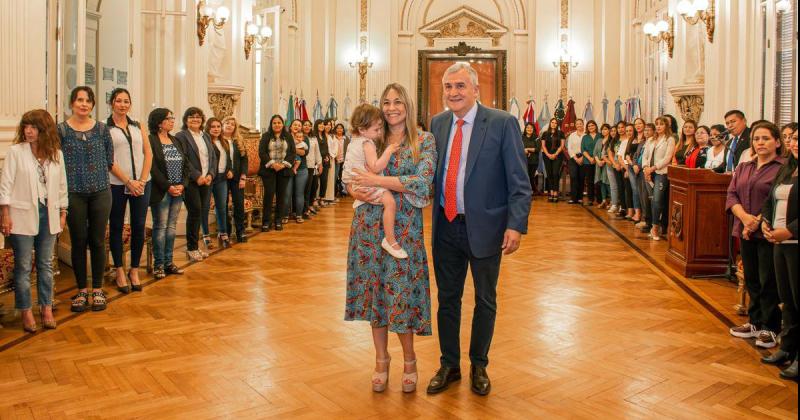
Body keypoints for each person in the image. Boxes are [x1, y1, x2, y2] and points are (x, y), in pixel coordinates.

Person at [426, 62, 531, 396]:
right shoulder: (437, 124)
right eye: (448, 86)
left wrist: (515, 225)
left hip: (486, 228)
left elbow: (519, 181)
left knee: (485, 300)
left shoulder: (502, 123)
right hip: (446, 226)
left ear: (475, 89)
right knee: (447, 300)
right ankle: (450, 364)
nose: (453, 93)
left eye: (459, 86)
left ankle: (479, 365)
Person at [345, 82, 436, 394]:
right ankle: (381, 360)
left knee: (401, 293)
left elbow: (422, 183)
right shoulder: (372, 136)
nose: (391, 107)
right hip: (368, 227)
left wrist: (377, 180)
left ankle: (410, 360)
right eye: (386, 102)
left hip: (405, 229)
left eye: (398, 102)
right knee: (376, 294)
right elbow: (353, 177)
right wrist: (356, 187)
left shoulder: (423, 140)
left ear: (407, 106)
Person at [0, 109, 67, 332]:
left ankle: (46, 307)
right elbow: (6, 185)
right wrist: (5, 214)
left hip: (49, 213)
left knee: (46, 264)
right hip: (21, 215)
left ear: (44, 130)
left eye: (34, 127)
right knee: (23, 265)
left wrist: (63, 212)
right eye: (26, 127)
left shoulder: (56, 154)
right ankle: (26, 310)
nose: (28, 131)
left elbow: (61, 187)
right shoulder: (15, 152)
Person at [727, 122, 785, 349]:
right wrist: (744, 218)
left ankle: (770, 327)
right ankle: (755, 322)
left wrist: (756, 221)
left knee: (767, 280)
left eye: (766, 138)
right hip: (745, 229)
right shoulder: (744, 167)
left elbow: (775, 198)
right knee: (751, 278)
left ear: (778, 142)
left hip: (767, 232)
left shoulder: (784, 168)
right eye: (756, 139)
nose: (760, 142)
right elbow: (732, 194)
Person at [58, 86, 114, 312]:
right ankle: (81, 290)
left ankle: (98, 289)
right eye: (79, 100)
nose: (83, 104)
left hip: (100, 191)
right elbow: (56, 162)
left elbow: (109, 158)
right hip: (73, 193)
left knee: (98, 240)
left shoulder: (102, 129)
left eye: (87, 101)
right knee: (78, 242)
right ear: (72, 103)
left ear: (92, 105)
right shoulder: (61, 130)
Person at [342, 103, 407, 259]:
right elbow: (376, 168)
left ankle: (388, 239)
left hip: (357, 183)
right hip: (366, 183)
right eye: (376, 129)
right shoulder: (367, 143)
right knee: (390, 202)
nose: (379, 133)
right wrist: (388, 151)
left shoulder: (353, 142)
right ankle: (390, 240)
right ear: (363, 130)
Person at [760, 127, 798, 379]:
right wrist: (765, 220)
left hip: (794, 242)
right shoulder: (787, 167)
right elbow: (770, 198)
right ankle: (787, 348)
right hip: (778, 242)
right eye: (794, 138)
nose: (794, 142)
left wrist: (790, 231)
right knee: (787, 300)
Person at [107, 88, 152, 294]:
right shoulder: (104, 128)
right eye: (118, 101)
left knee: (138, 225)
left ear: (130, 105)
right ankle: (119, 270)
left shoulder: (138, 126)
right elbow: (109, 160)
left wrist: (141, 180)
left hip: (143, 183)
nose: (123, 105)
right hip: (116, 183)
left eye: (126, 101)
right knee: (116, 226)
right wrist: (128, 181)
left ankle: (134, 269)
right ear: (112, 104)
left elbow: (148, 153)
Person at [148, 108, 188, 279]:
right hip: (162, 191)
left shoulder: (175, 140)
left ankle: (168, 262)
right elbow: (152, 167)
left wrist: (182, 185)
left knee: (172, 227)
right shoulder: (151, 140)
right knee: (161, 226)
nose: (173, 121)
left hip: (178, 190)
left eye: (173, 118)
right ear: (159, 122)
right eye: (169, 118)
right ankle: (158, 265)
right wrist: (167, 186)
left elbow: (186, 164)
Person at [175, 107, 217, 262]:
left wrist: (211, 175)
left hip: (207, 181)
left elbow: (212, 157)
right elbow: (183, 159)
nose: (195, 120)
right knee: (195, 212)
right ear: (186, 120)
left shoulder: (205, 135)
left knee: (200, 213)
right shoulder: (181, 136)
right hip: (192, 182)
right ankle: (191, 248)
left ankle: (195, 246)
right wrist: (197, 176)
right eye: (192, 117)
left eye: (198, 117)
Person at [258, 114, 296, 231]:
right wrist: (273, 164)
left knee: (281, 196)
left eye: (279, 122)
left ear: (283, 124)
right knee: (269, 195)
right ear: (271, 124)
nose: (277, 125)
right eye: (274, 123)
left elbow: (292, 153)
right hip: (269, 170)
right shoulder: (266, 136)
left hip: (284, 170)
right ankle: (266, 222)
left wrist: (283, 164)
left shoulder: (288, 136)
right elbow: (262, 152)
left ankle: (278, 221)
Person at [645, 116, 676, 241]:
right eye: (656, 124)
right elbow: (645, 155)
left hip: (661, 172)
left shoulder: (670, 139)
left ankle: (656, 227)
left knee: (658, 200)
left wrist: (653, 168)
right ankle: (653, 225)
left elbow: (667, 158)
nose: (658, 126)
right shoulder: (651, 139)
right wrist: (645, 168)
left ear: (666, 126)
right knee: (652, 200)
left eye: (661, 124)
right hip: (648, 172)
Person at [221, 116, 249, 242]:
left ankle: (240, 231)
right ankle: (225, 231)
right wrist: (227, 171)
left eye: (232, 124)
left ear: (235, 127)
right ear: (222, 124)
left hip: (237, 178)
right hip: (222, 177)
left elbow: (244, 160)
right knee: (224, 204)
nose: (229, 125)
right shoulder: (217, 140)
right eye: (227, 123)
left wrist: (243, 176)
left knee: (239, 204)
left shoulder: (238, 141)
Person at [206, 118, 232, 248]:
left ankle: (223, 233)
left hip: (222, 178)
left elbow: (228, 159)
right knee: (205, 207)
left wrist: (229, 170)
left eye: (218, 126)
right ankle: (206, 236)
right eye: (213, 126)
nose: (216, 129)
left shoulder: (224, 141)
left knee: (221, 207)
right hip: (209, 178)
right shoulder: (206, 142)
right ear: (208, 128)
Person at [288, 119, 309, 224]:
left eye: (299, 125)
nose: (296, 126)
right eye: (294, 124)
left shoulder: (305, 138)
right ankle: (285, 215)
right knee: (287, 193)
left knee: (299, 194)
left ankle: (299, 214)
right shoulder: (286, 137)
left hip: (301, 169)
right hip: (286, 169)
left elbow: (303, 153)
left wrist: (291, 148)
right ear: (290, 127)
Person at [541, 118, 565, 202]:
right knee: (549, 174)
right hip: (546, 155)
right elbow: (543, 146)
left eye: (555, 123)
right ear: (550, 123)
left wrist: (555, 154)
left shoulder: (560, 133)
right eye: (552, 122)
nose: (554, 124)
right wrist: (548, 154)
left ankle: (556, 192)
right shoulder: (545, 133)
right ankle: (551, 192)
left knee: (555, 173)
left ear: (557, 124)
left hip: (557, 156)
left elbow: (562, 146)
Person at [303, 119, 322, 219]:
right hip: (301, 166)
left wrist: (320, 164)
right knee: (302, 189)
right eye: (305, 125)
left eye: (308, 125)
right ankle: (302, 209)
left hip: (311, 166)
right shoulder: (299, 137)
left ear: (311, 127)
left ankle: (307, 208)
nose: (306, 127)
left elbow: (317, 152)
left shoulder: (313, 138)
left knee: (309, 188)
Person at [581, 120, 600, 205]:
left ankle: (600, 200)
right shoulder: (585, 137)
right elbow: (583, 149)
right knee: (590, 181)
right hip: (587, 162)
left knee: (599, 181)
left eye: (592, 125)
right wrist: (590, 158)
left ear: (595, 126)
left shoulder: (600, 136)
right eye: (589, 126)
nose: (591, 127)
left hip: (599, 161)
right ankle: (590, 199)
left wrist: (595, 159)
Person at [566, 119, 586, 204]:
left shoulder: (586, 135)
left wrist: (582, 158)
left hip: (584, 157)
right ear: (575, 125)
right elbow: (569, 148)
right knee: (573, 177)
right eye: (577, 124)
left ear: (583, 124)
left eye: (580, 124)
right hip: (573, 158)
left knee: (581, 177)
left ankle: (580, 197)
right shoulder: (572, 135)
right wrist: (575, 158)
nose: (579, 125)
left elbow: (587, 148)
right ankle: (573, 198)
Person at [594, 123, 611, 208]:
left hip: (607, 164)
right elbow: (595, 153)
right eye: (603, 129)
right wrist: (598, 161)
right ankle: (604, 200)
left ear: (609, 130)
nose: (604, 131)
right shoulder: (599, 140)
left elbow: (611, 153)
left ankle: (611, 201)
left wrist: (604, 161)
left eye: (606, 129)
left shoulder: (611, 140)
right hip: (599, 164)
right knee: (601, 182)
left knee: (607, 182)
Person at [315, 119, 331, 207]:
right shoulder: (314, 136)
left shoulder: (325, 136)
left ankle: (322, 198)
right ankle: (315, 199)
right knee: (315, 183)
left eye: (322, 124)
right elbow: (316, 150)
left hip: (325, 162)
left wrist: (327, 156)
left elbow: (327, 148)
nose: (321, 126)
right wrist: (321, 157)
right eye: (320, 124)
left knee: (324, 181)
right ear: (316, 125)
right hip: (317, 162)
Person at [521, 122, 540, 197]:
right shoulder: (521, 137)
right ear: (525, 129)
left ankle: (531, 191)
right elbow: (518, 146)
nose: (529, 129)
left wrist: (527, 149)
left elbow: (538, 149)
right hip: (523, 160)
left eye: (531, 128)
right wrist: (524, 150)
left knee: (531, 176)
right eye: (528, 127)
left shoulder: (537, 137)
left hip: (533, 161)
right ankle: (526, 191)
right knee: (524, 176)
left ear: (533, 129)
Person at [334, 122, 348, 197]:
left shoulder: (346, 138)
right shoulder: (333, 137)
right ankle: (335, 191)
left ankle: (342, 191)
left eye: (341, 128)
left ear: (343, 130)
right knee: (335, 176)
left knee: (342, 177)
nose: (339, 129)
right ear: (335, 129)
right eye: (338, 128)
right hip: (335, 160)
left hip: (344, 160)